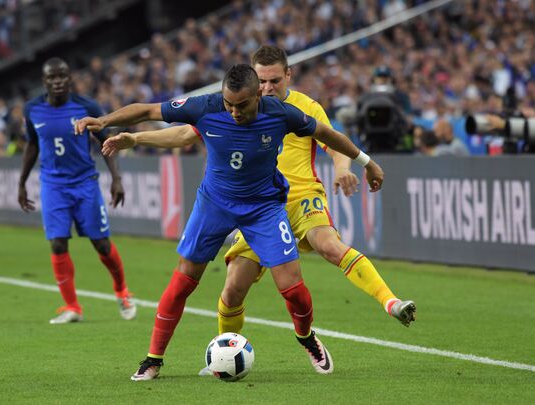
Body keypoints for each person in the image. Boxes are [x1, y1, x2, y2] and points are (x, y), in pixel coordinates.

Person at [78, 64, 384, 381]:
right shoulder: (206, 106)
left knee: (292, 288)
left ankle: (306, 338)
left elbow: (328, 134)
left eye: (242, 105)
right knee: (184, 279)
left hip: (264, 208)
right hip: (214, 204)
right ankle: (153, 359)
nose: (234, 111)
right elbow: (148, 109)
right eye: (229, 104)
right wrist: (105, 121)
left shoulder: (280, 113)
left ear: (258, 96)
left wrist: (368, 163)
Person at [209, 46, 415, 362]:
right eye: (261, 81)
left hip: (303, 198)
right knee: (234, 288)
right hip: (259, 209)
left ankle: (391, 302)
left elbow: (333, 143)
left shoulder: (306, 107)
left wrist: (344, 169)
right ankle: (223, 354)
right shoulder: (241, 108)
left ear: (288, 75)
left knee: (330, 246)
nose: (267, 88)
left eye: (274, 80)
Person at [18, 57, 137, 324]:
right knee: (58, 242)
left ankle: (122, 292)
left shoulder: (86, 107)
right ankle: (72, 307)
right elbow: (32, 145)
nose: (58, 81)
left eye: (62, 76)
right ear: (44, 81)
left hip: (84, 183)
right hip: (52, 185)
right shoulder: (32, 109)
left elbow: (106, 143)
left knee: (102, 244)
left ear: (70, 79)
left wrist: (116, 178)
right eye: (52, 77)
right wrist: (21, 182)